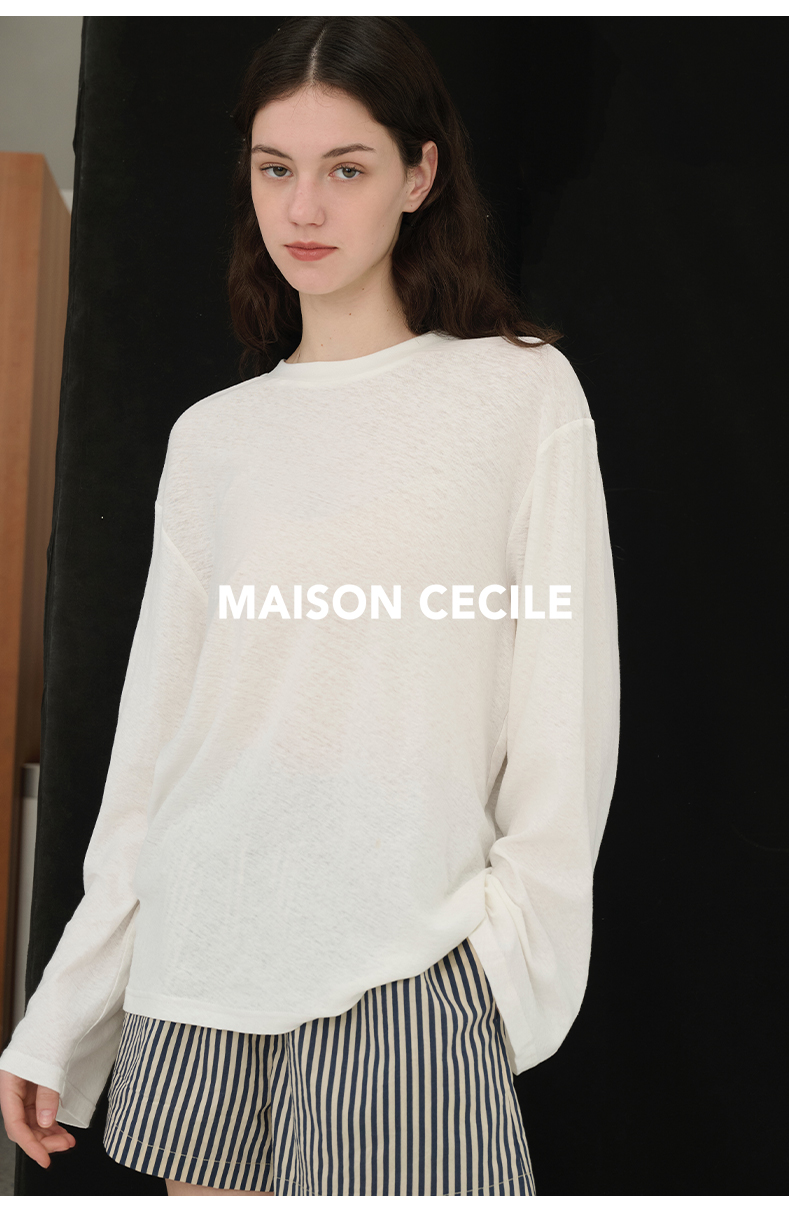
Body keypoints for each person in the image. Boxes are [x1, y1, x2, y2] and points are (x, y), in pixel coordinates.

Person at [0, 16, 620, 1196]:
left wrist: (506, 971)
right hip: (199, 971)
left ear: (419, 175)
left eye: (347, 168)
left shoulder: (518, 396)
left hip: (410, 966)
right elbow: (158, 756)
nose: (304, 208)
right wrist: (64, 1011)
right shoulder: (213, 441)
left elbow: (564, 717)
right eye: (276, 167)